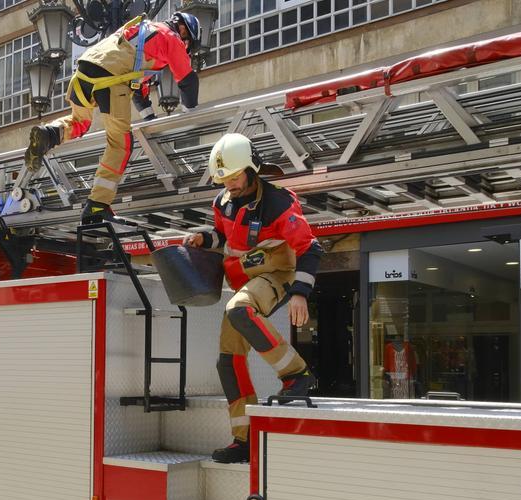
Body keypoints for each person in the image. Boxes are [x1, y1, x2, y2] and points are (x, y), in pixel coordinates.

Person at [184, 133, 323, 464]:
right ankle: (243, 440)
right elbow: (226, 237)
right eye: (223, 178)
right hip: (245, 280)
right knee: (227, 360)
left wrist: (301, 294)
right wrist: (206, 238)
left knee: (240, 309)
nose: (228, 183)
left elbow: (310, 248)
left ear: (252, 168)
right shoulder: (223, 203)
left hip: (278, 275)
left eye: (233, 176)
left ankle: (296, 375)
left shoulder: (279, 203)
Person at [24, 12, 201, 223]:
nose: (186, 49)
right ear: (183, 30)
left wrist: (149, 117)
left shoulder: (141, 32)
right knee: (120, 143)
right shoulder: (171, 37)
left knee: (80, 122)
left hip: (83, 72)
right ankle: (97, 206)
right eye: (188, 44)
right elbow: (188, 80)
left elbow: (139, 89)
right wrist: (190, 115)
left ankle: (49, 134)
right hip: (109, 79)